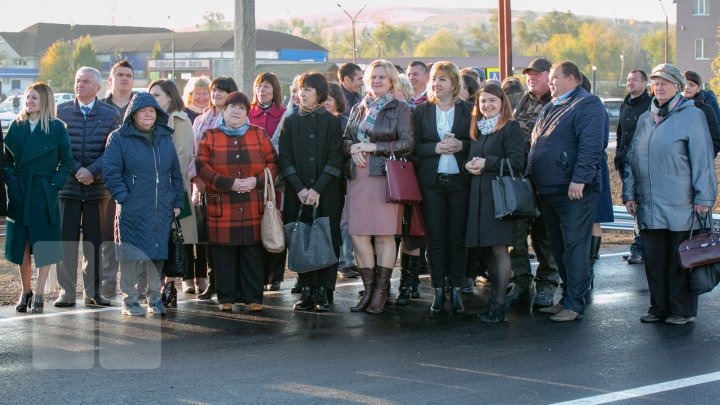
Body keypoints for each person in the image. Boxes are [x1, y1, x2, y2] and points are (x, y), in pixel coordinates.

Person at [623, 63, 717, 325]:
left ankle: (682, 310)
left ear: (678, 86)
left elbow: (703, 159)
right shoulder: (645, 119)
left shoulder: (692, 116)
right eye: (656, 82)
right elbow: (632, 160)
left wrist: (704, 198)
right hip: (650, 204)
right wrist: (629, 193)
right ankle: (659, 307)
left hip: (682, 203)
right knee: (654, 258)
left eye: (666, 82)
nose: (660, 87)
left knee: (680, 259)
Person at [526, 60, 606, 322]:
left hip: (573, 190)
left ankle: (575, 304)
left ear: (572, 78)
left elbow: (591, 146)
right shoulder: (552, 105)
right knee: (558, 247)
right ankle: (567, 298)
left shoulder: (587, 104)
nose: (551, 82)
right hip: (548, 189)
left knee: (574, 247)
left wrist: (580, 178)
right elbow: (536, 145)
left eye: (555, 78)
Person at [195, 91, 278, 312]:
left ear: (247, 112)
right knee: (224, 256)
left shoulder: (259, 134)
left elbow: (273, 163)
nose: (237, 111)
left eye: (242, 108)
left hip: (253, 203)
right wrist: (227, 183)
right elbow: (201, 166)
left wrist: (257, 180)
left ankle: (253, 298)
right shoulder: (210, 135)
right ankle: (226, 298)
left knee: (252, 253)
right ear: (225, 109)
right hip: (222, 205)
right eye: (233, 106)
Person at [103, 92, 184, 316]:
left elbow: (175, 173)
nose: (148, 114)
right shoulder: (118, 138)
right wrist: (124, 198)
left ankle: (154, 297)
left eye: (152, 110)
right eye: (143, 111)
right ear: (133, 114)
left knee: (157, 253)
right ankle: (129, 299)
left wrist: (177, 201)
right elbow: (110, 172)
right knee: (130, 255)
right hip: (132, 207)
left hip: (161, 207)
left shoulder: (165, 137)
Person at [344, 59, 414, 314]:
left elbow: (408, 143)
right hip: (358, 177)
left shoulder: (400, 108)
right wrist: (352, 149)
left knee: (385, 235)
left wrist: (374, 147)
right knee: (358, 234)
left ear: (392, 81)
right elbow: (346, 140)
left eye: (382, 78)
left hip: (385, 176)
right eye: (373, 77)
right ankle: (369, 289)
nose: (376, 81)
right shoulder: (357, 108)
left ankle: (382, 292)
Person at [5, 82, 74, 313]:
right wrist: (12, 182)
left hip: (43, 192)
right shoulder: (17, 125)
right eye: (27, 97)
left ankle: (40, 293)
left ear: (44, 100)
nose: (29, 101)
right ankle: (25, 291)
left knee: (43, 243)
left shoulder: (56, 128)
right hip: (20, 191)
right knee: (20, 244)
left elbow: (67, 161)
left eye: (34, 98)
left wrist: (54, 185)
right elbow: (5, 159)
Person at [55, 66, 121, 308]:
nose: (79, 85)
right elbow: (59, 149)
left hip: (97, 190)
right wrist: (76, 171)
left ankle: (94, 293)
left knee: (95, 243)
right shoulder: (60, 112)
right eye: (77, 81)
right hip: (68, 188)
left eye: (85, 81)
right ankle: (67, 293)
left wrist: (92, 171)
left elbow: (112, 150)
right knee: (66, 243)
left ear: (98, 87)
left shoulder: (110, 114)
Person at [279, 73, 343, 311]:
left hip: (327, 191)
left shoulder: (333, 121)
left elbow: (336, 158)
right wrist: (300, 188)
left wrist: (316, 189)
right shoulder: (291, 121)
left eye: (307, 89)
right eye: (299, 90)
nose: (301, 94)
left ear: (319, 92)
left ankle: (325, 290)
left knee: (328, 236)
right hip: (298, 191)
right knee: (302, 236)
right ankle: (306, 289)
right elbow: (284, 158)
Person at [413, 61, 473, 314]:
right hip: (432, 184)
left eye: (443, 79)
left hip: (461, 183)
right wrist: (434, 148)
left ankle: (457, 290)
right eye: (434, 79)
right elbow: (412, 147)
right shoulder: (421, 111)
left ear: (454, 84)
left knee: (457, 239)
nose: (436, 84)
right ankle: (438, 291)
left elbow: (479, 143)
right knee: (435, 239)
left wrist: (463, 147)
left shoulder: (469, 110)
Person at [464, 83, 525, 322]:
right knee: (489, 249)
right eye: (482, 101)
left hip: (498, 198)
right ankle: (493, 303)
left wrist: (485, 163)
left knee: (499, 249)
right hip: (480, 197)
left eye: (492, 101)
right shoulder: (479, 129)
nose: (487, 105)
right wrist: (468, 166)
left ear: (502, 103)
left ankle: (499, 306)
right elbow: (473, 159)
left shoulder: (510, 127)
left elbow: (517, 162)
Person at [506, 58, 560, 309]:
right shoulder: (520, 100)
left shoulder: (558, 101)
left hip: (546, 179)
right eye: (529, 74)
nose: (531, 78)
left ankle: (547, 286)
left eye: (537, 74)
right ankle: (521, 283)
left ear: (550, 76)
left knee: (545, 236)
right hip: (520, 178)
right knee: (516, 235)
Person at [148, 79, 201, 303]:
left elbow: (182, 158)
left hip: (173, 189)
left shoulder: (181, 121)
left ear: (170, 96)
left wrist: (169, 190)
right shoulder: (145, 120)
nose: (153, 100)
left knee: (172, 238)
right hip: (147, 190)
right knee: (154, 239)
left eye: (157, 95)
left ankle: (169, 286)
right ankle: (154, 286)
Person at [189, 76, 239, 300]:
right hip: (202, 187)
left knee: (226, 238)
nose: (216, 94)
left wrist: (218, 180)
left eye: (222, 90)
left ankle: (229, 282)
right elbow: (193, 153)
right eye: (214, 90)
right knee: (207, 238)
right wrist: (196, 178)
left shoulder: (234, 119)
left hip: (225, 186)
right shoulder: (200, 120)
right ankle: (213, 281)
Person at [99, 60, 136, 298]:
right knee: (107, 234)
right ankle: (108, 280)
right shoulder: (101, 108)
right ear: (110, 79)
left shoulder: (140, 107)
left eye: (129, 75)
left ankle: (131, 284)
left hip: (135, 182)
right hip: (106, 183)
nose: (124, 79)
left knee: (133, 234)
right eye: (120, 75)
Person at [249, 72, 288, 292]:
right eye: (259, 87)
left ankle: (275, 275)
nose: (262, 91)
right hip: (253, 179)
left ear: (275, 90)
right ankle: (258, 274)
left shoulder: (283, 113)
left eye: (267, 87)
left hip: (276, 179)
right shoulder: (247, 113)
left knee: (275, 223)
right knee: (255, 226)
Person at [615, 69, 652, 265]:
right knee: (632, 203)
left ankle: (639, 246)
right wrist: (619, 155)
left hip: (643, 163)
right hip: (625, 163)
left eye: (635, 80)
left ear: (644, 83)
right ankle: (639, 244)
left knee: (641, 203)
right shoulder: (625, 105)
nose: (630, 83)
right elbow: (621, 133)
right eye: (628, 80)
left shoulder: (650, 106)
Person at [327, 82, 359, 281]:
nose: (325, 104)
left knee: (345, 222)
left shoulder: (346, 122)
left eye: (329, 100)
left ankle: (346, 261)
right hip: (325, 181)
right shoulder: (317, 122)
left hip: (343, 178)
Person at [682, 70, 720, 157]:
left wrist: (705, 159)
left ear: (698, 88)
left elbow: (716, 139)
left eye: (691, 85)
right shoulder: (673, 107)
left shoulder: (706, 109)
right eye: (684, 83)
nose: (687, 87)